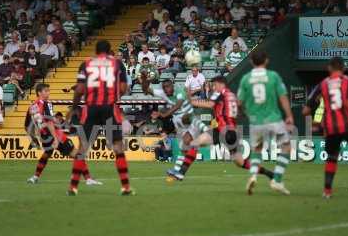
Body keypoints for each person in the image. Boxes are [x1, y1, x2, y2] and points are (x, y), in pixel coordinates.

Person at [68, 40, 132, 196]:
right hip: (109, 108)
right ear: (109, 50)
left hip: (90, 109)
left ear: (96, 51)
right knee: (117, 147)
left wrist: (74, 107)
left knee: (82, 147)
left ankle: (73, 187)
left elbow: (80, 89)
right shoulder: (117, 63)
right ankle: (125, 187)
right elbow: (124, 88)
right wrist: (113, 97)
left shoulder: (86, 64)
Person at [303, 57, 348, 198]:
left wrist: (317, 118)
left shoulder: (323, 84)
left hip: (331, 128)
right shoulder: (347, 81)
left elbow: (305, 111)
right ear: (343, 68)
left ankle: (327, 192)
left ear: (329, 68)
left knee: (332, 157)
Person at [190, 76, 274, 188]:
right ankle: (269, 173)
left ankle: (179, 172)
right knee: (240, 162)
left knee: (196, 143)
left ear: (220, 84)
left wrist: (190, 101)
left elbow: (209, 104)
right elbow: (240, 110)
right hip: (231, 132)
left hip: (223, 130)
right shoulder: (232, 95)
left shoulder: (220, 94)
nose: (213, 87)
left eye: (215, 84)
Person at [238, 51, 293, 195]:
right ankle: (277, 179)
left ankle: (253, 175)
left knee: (257, 150)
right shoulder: (273, 76)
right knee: (286, 147)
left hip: (255, 121)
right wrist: (289, 116)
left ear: (251, 62)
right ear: (266, 61)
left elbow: (239, 102)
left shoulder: (245, 78)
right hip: (273, 119)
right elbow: (283, 97)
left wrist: (246, 112)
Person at [25, 83, 101, 186]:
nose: (48, 93)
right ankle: (88, 179)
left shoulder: (32, 106)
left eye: (49, 90)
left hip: (44, 136)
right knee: (77, 154)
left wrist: (34, 138)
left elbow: (27, 125)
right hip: (55, 135)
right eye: (46, 91)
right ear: (39, 93)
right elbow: (49, 122)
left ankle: (35, 177)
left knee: (46, 155)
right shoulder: (46, 104)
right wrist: (55, 138)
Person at [142, 78, 211, 182]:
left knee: (187, 142)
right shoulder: (162, 93)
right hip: (179, 123)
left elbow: (178, 104)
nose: (166, 89)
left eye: (168, 86)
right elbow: (146, 90)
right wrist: (144, 79)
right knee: (184, 148)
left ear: (173, 85)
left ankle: (179, 171)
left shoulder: (180, 91)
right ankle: (178, 171)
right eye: (164, 87)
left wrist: (164, 114)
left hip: (189, 119)